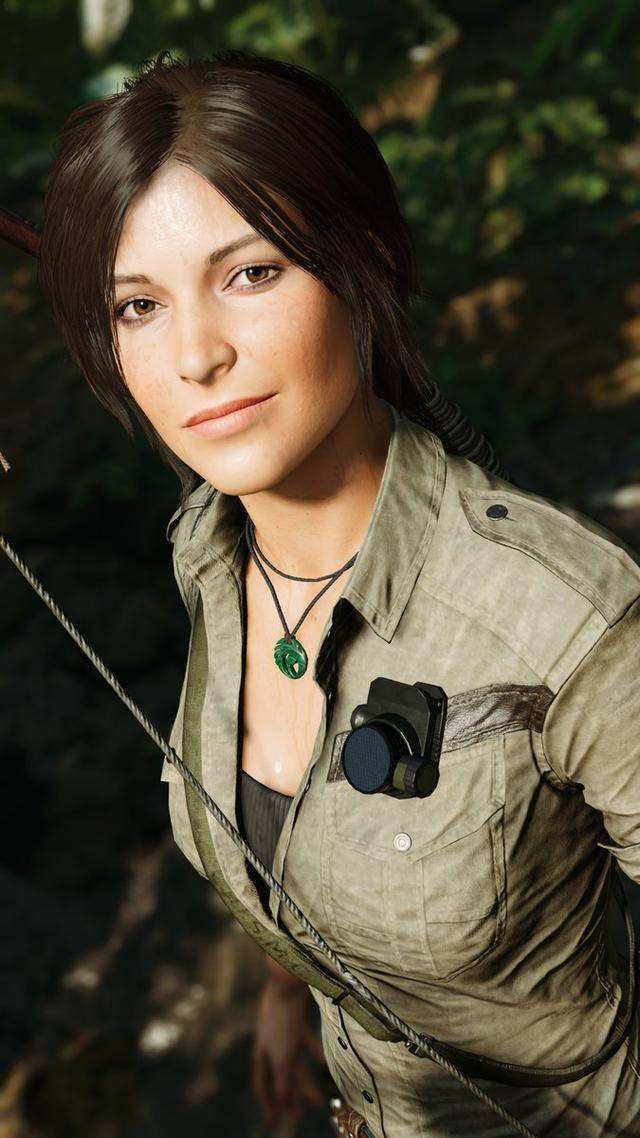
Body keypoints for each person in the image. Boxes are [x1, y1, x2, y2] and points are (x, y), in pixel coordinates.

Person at [36, 48, 640, 1138]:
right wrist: (293, 989)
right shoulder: (208, 551)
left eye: (251, 274)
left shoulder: (567, 624)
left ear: (363, 264)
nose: (197, 356)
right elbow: (300, 825)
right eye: (138, 305)